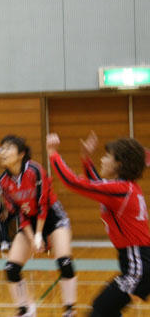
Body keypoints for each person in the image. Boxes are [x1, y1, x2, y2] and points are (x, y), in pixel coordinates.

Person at [47, 131, 150, 317]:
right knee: (106, 309)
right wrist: (86, 159)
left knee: (101, 309)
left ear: (119, 164)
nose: (102, 160)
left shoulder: (121, 190)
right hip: (136, 261)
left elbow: (73, 182)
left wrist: (53, 154)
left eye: (107, 156)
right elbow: (97, 183)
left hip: (138, 264)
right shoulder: (125, 187)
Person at [0, 134, 76, 317]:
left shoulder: (35, 170)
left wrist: (40, 235)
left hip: (53, 218)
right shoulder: (3, 182)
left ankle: (69, 309)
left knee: (65, 262)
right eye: (1, 148)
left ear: (21, 154)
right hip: (30, 222)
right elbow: (20, 213)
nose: (3, 152)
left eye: (8, 148)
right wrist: (32, 238)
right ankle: (25, 309)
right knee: (11, 268)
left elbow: (43, 204)